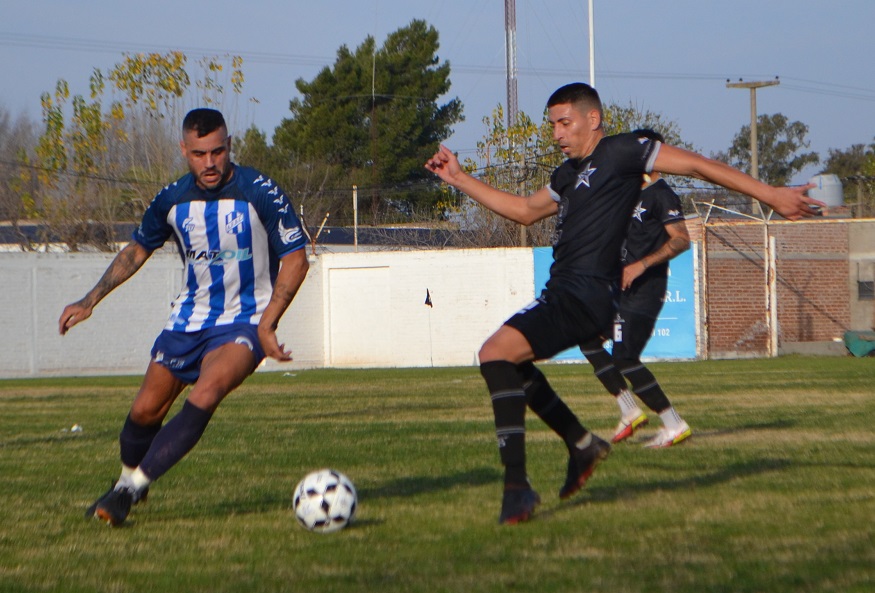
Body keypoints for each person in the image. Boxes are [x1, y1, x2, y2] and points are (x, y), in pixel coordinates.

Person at [424, 82, 822, 525]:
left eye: (564, 122)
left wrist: (771, 195)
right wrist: (458, 178)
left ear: (592, 119)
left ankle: (519, 486)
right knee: (505, 361)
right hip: (562, 291)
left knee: (494, 353)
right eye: (553, 125)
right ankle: (581, 446)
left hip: (588, 294)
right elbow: (523, 211)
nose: (556, 133)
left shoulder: (622, 151)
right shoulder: (566, 175)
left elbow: (697, 165)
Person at [59, 108, 309, 526]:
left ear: (230, 145)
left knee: (208, 391)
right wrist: (90, 300)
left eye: (217, 151)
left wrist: (268, 324)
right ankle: (128, 481)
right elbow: (137, 249)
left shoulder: (260, 191)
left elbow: (296, 259)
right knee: (144, 412)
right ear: (183, 150)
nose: (209, 163)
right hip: (188, 319)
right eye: (199, 154)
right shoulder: (172, 198)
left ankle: (126, 492)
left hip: (245, 320)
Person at [579, 128, 691, 448]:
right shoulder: (626, 193)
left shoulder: (662, 195)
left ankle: (674, 424)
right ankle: (629, 410)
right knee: (588, 341)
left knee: (625, 358)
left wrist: (642, 265)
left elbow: (682, 239)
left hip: (645, 291)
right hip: (618, 291)